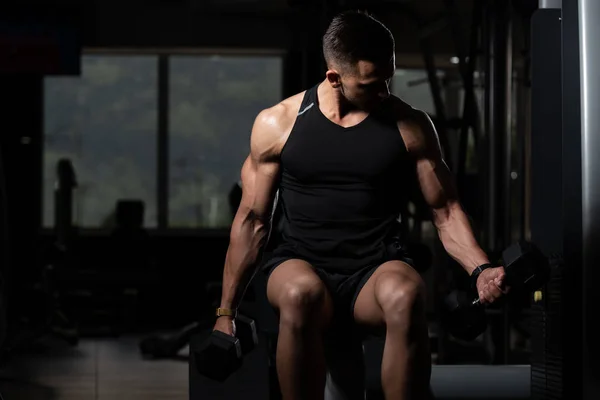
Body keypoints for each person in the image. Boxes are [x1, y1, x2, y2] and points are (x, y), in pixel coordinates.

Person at [213, 10, 508, 400]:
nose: (384, 92)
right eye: (371, 84)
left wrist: (481, 269)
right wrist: (225, 314)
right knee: (300, 295)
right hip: (301, 261)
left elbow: (447, 210)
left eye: (389, 78)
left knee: (407, 294)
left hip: (375, 266)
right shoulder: (278, 124)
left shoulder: (411, 125)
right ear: (334, 77)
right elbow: (252, 221)